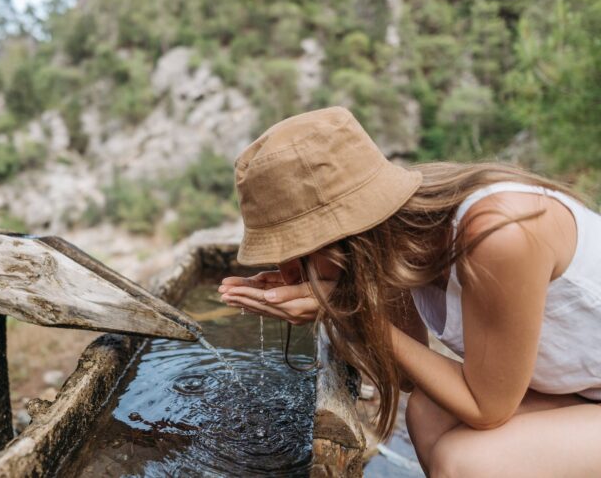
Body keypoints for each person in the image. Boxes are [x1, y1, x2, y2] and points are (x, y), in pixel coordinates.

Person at [218, 106, 601, 477]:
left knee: (467, 465)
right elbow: (408, 379)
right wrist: (341, 299)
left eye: (293, 254)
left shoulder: (498, 236)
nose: (286, 273)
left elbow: (488, 408)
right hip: (584, 391)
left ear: (340, 236)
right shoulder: (393, 235)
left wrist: (343, 304)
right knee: (426, 412)